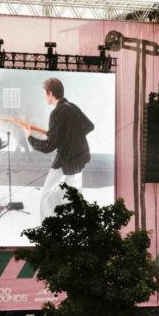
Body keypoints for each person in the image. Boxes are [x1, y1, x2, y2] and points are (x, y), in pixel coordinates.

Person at [23, 77, 96, 219]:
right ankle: (72, 223)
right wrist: (67, 137)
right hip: (80, 158)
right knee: (71, 194)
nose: (44, 97)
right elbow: (89, 126)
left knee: (47, 195)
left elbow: (49, 146)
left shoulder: (56, 112)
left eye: (44, 94)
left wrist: (29, 138)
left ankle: (47, 226)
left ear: (50, 94)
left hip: (66, 160)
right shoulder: (72, 106)